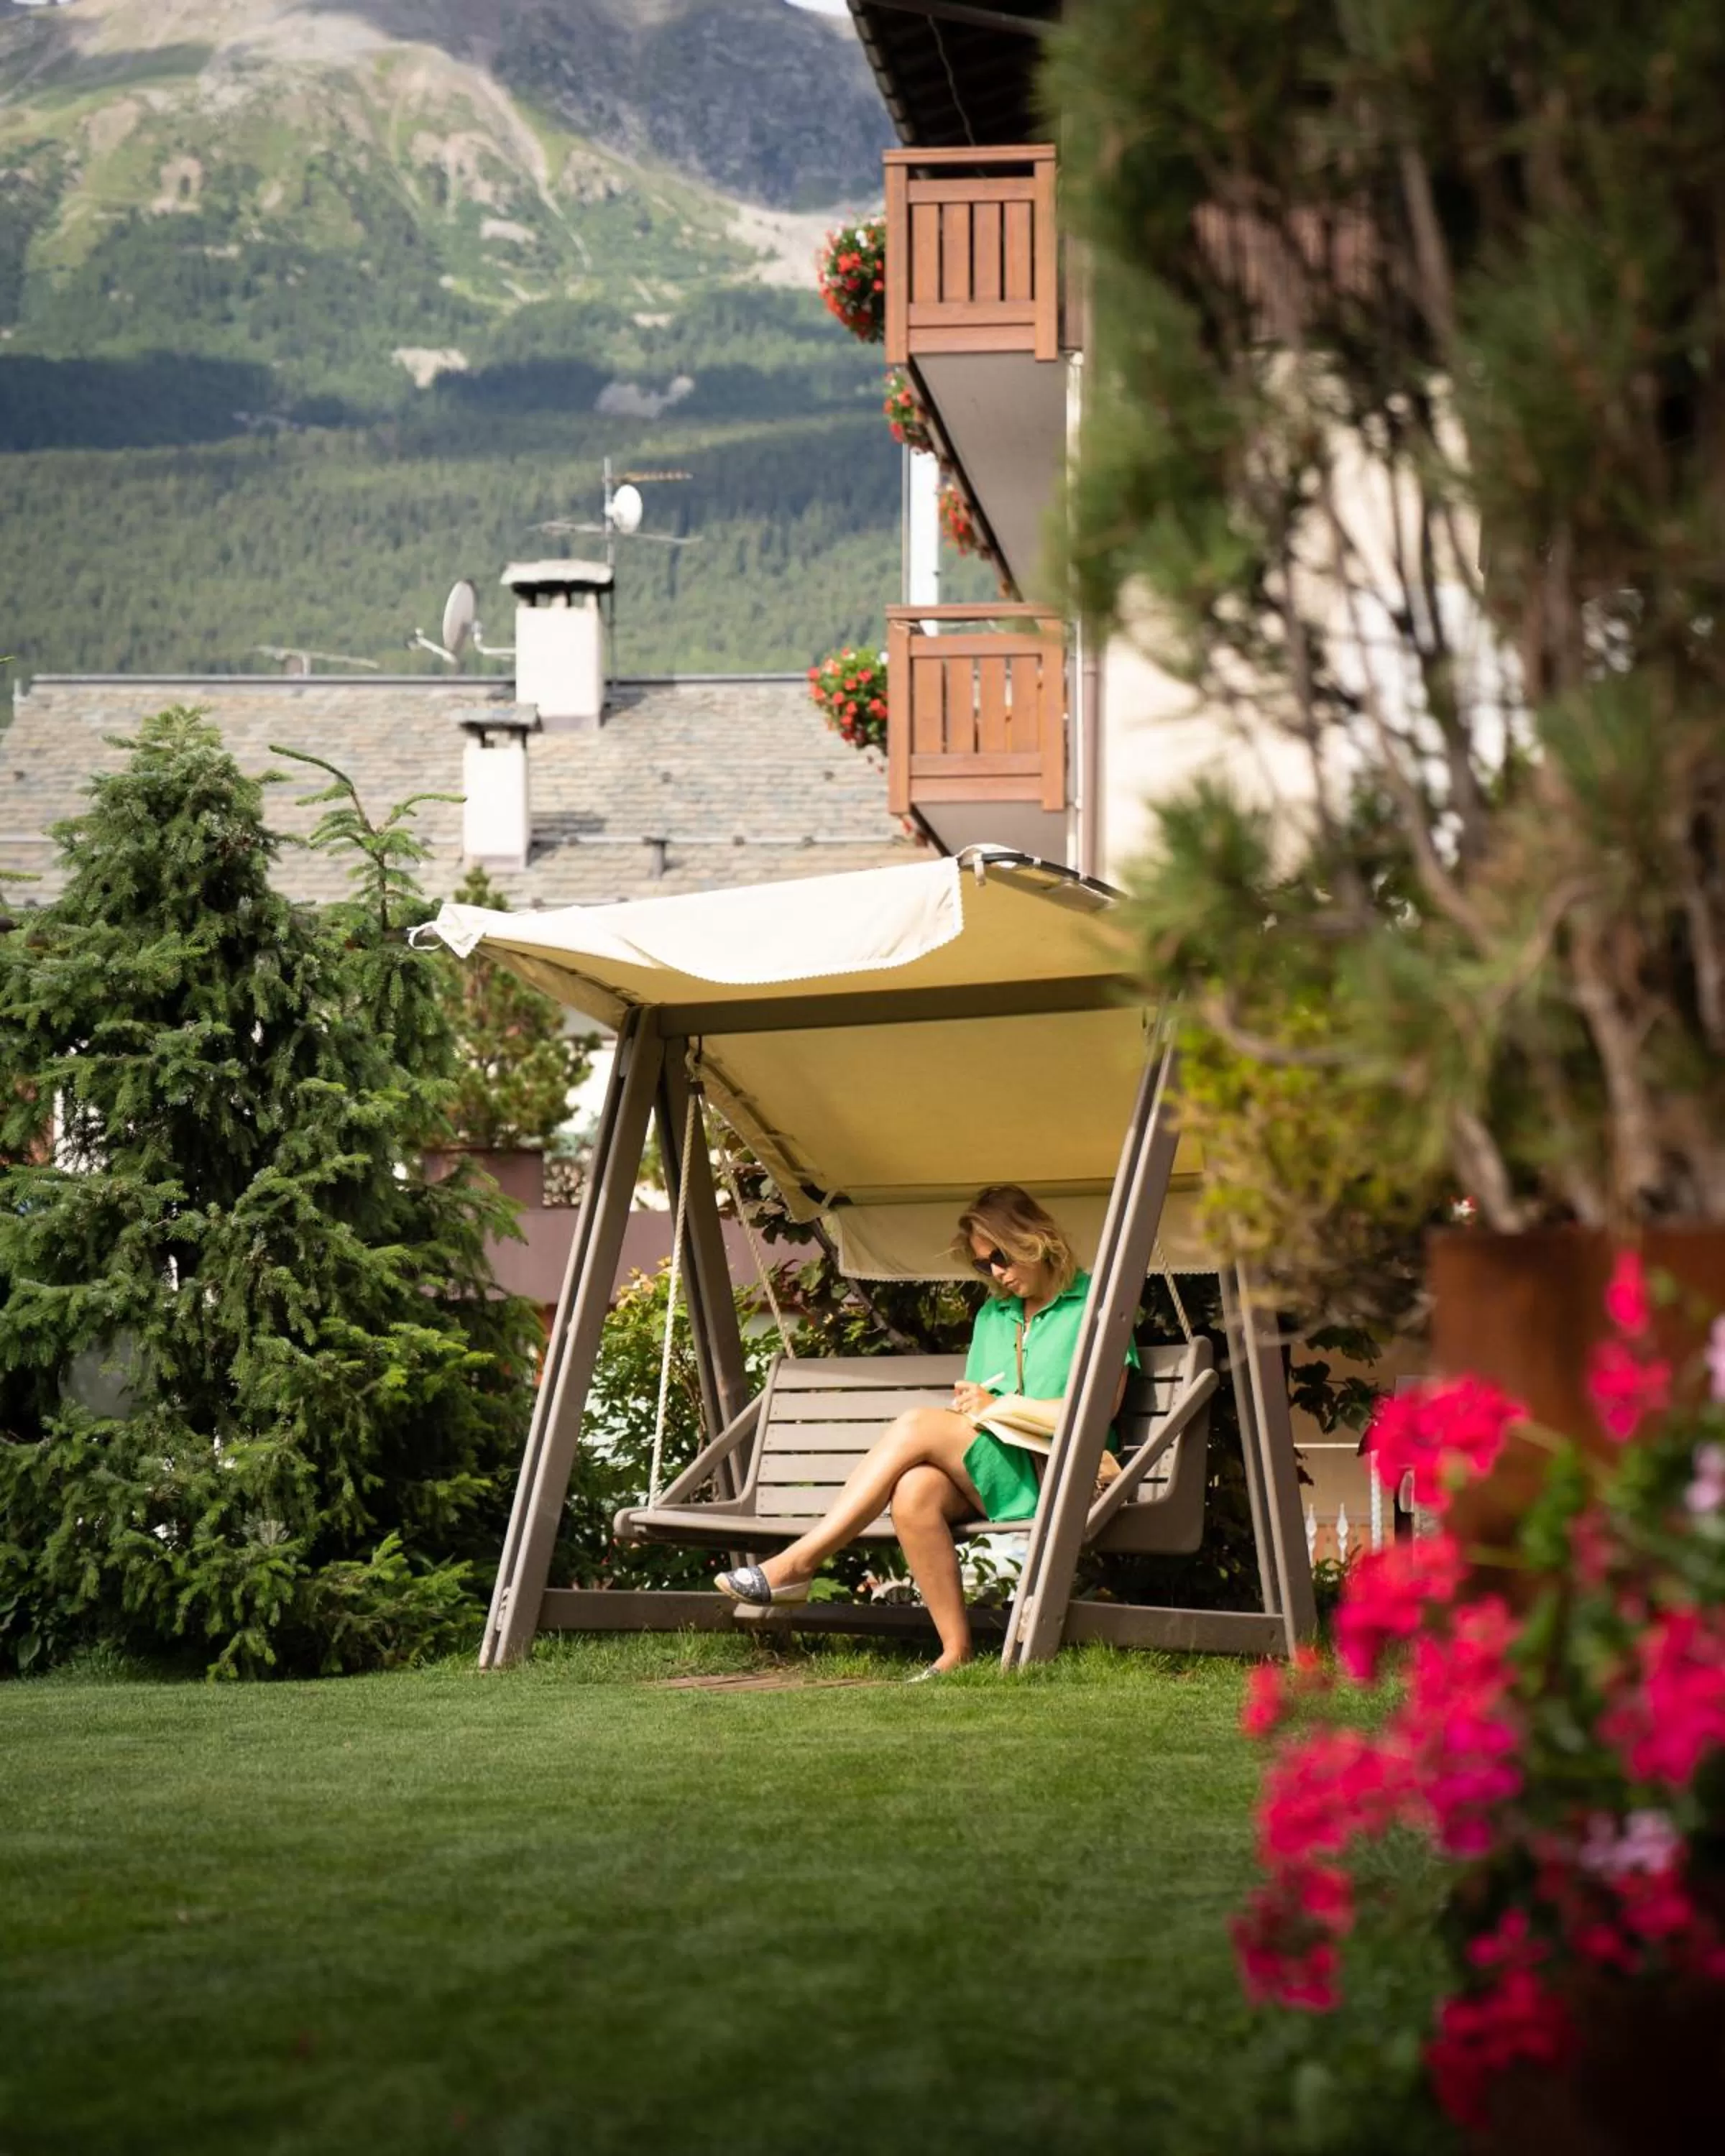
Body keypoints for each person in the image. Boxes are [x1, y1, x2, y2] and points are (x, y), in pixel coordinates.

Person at [714, 1184, 1137, 1675]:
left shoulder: (1097, 1308)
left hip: (1073, 1476)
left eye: (1000, 1257)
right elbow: (978, 1414)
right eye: (983, 1265)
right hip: (1007, 1471)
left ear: (1033, 1238)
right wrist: (979, 1410)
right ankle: (955, 1653)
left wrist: (999, 1405)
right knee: (914, 1492)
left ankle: (798, 1562)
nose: (996, 1272)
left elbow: (1098, 1409)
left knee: (917, 1423)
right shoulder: (993, 1317)